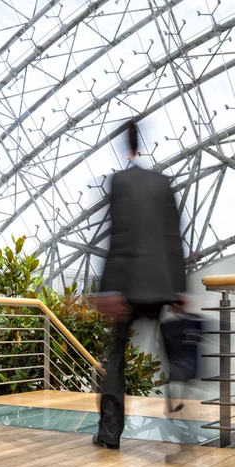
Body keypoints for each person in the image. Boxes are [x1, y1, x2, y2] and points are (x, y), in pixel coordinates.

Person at [91, 119, 186, 450]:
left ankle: (109, 433)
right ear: (142, 143)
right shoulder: (162, 183)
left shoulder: (120, 182)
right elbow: (174, 237)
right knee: (166, 345)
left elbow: (119, 238)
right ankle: (176, 410)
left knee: (116, 355)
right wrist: (178, 289)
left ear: (124, 147)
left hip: (128, 287)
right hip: (160, 285)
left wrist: (108, 289)